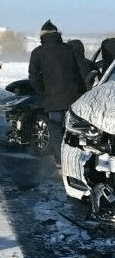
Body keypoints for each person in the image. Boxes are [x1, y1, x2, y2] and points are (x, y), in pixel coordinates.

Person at [28, 20, 86, 167]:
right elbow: (83, 71)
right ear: (57, 34)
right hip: (74, 99)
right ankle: (77, 162)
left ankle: (61, 164)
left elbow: (33, 78)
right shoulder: (71, 49)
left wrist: (42, 93)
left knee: (56, 133)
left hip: (52, 100)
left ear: (42, 35)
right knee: (74, 132)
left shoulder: (38, 53)